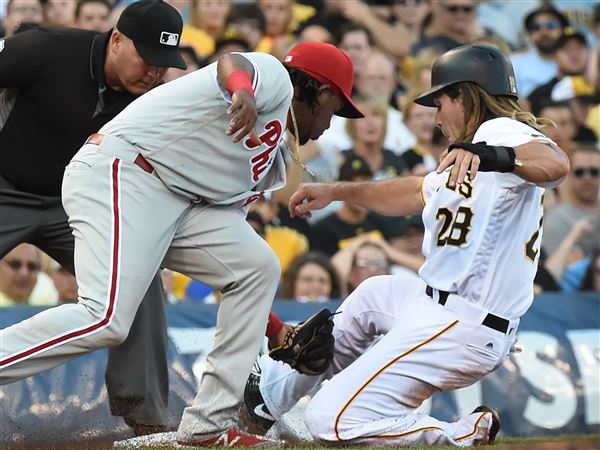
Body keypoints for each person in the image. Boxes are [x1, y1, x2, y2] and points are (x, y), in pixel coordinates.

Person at [0, 39, 363, 446]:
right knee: (105, 318)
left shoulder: (270, 158)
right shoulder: (275, 80)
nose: (334, 122)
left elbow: (225, 257)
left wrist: (276, 331)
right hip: (124, 171)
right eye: (338, 107)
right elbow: (233, 62)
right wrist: (243, 89)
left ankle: (207, 428)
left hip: (171, 200)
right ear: (324, 91)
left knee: (255, 265)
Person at [241, 44, 569, 447]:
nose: (435, 116)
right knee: (374, 293)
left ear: (465, 96)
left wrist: (495, 155)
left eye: (440, 102)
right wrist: (338, 191)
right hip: (436, 304)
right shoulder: (471, 151)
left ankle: (458, 434)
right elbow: (415, 191)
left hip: (465, 323)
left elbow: (555, 164)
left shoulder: (498, 133)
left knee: (328, 421)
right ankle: (267, 398)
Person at [0, 0, 187, 435]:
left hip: (78, 206)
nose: (155, 72)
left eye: (165, 63)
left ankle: (146, 419)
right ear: (117, 40)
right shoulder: (46, 49)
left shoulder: (157, 98)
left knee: (139, 282)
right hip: (6, 187)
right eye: (148, 59)